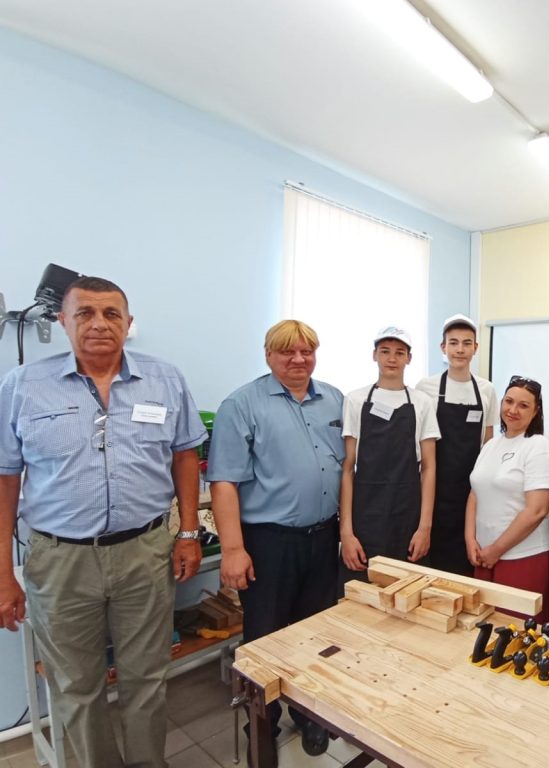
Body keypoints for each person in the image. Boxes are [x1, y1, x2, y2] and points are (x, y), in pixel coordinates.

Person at [0, 276, 206, 768]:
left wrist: (188, 533)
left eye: (111, 314)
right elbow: (6, 477)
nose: (99, 324)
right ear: (63, 321)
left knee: (147, 676)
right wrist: (4, 571)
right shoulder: (23, 385)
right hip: (59, 559)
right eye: (85, 313)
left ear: (128, 323)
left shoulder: (165, 379)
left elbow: (185, 455)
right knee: (75, 685)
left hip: (145, 552)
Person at [206, 319, 344, 757]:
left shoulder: (334, 399)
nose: (298, 359)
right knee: (264, 638)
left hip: (322, 538)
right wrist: (233, 549)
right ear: (269, 355)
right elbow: (223, 482)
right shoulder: (241, 405)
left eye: (307, 351)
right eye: (287, 351)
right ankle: (262, 724)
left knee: (314, 634)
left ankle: (309, 715)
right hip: (269, 543)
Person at [340, 327, 439, 586]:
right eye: (385, 351)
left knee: (407, 593)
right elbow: (347, 469)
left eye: (399, 352)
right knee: (361, 594)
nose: (392, 358)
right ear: (374, 355)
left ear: (409, 358)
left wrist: (425, 528)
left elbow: (429, 468)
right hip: (365, 517)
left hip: (407, 516)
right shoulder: (355, 400)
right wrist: (346, 534)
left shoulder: (422, 402)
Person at [466, 376, 549, 622]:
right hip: (484, 556)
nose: (513, 410)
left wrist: (496, 549)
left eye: (523, 405)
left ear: (536, 411)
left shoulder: (539, 446)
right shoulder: (491, 446)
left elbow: (537, 510)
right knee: (484, 629)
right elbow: (475, 493)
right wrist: (470, 539)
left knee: (516, 633)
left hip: (524, 557)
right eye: (508, 401)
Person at [415, 314, 498, 575]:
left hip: (472, 493)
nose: (460, 349)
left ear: (475, 348)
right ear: (443, 347)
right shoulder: (426, 387)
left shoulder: (486, 389)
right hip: (434, 492)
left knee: (466, 565)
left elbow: (488, 443)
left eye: (466, 343)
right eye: (453, 343)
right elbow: (418, 443)